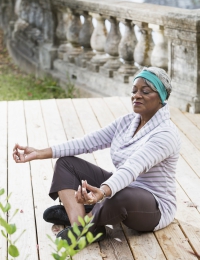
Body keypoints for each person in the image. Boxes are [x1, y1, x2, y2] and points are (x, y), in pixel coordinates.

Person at [13, 66, 181, 246]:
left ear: (162, 98)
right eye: (134, 90)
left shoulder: (166, 134)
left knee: (119, 195)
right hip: (119, 186)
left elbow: (131, 168)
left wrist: (102, 192)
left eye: (145, 91)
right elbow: (86, 142)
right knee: (66, 164)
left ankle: (87, 216)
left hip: (153, 206)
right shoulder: (128, 121)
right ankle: (83, 227)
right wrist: (39, 153)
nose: (136, 95)